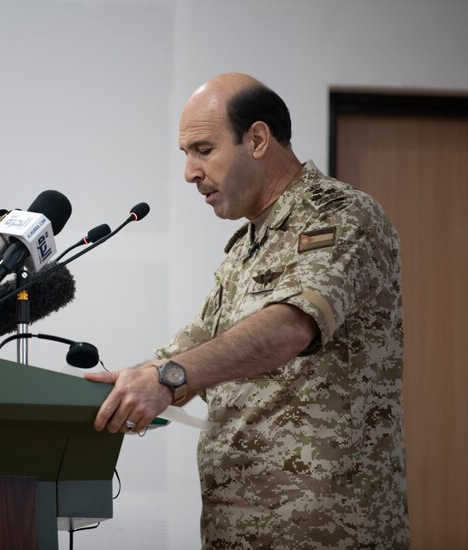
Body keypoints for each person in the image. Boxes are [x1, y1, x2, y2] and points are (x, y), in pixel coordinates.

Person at [85, 73, 410, 548]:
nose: (190, 172)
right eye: (186, 155)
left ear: (257, 139)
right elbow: (191, 350)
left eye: (203, 150)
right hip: (238, 529)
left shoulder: (341, 216)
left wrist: (168, 377)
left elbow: (289, 328)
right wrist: (114, 389)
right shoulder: (244, 247)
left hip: (327, 530)